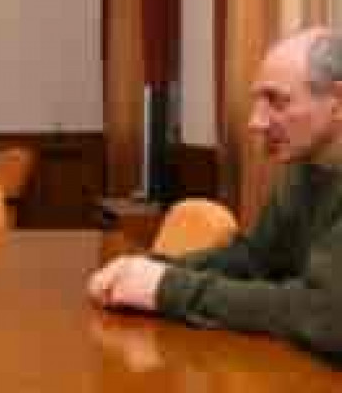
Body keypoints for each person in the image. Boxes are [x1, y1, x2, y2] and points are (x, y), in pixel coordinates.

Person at [89, 27, 342, 363]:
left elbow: (325, 317)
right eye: (258, 101)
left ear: (337, 102)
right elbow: (256, 259)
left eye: (277, 101)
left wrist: (167, 288)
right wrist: (152, 268)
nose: (255, 122)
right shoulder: (307, 166)